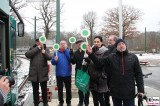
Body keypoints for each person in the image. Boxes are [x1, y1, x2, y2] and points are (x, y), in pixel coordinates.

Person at [86, 38, 144, 106]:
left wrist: (141, 90)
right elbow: (99, 62)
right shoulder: (111, 57)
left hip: (129, 92)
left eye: (123, 44)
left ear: (125, 45)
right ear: (116, 47)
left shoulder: (133, 57)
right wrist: (91, 54)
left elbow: (138, 74)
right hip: (116, 92)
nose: (121, 45)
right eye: (119, 44)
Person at [25, 39, 52, 106]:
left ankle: (45, 102)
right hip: (34, 74)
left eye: (40, 41)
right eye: (37, 41)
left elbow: (49, 57)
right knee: (35, 90)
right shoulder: (32, 48)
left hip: (43, 73)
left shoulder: (46, 49)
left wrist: (44, 53)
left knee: (44, 90)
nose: (39, 43)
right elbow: (27, 54)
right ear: (36, 42)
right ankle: (36, 103)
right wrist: (37, 48)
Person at [87, 36, 109, 106]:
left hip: (101, 78)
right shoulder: (91, 50)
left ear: (101, 42)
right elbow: (90, 64)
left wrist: (91, 56)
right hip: (92, 77)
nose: (96, 43)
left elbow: (100, 64)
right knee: (94, 98)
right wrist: (87, 61)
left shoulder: (105, 51)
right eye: (95, 42)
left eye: (98, 42)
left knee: (101, 98)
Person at [51, 40, 72, 106]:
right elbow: (53, 62)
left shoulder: (69, 52)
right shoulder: (56, 52)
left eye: (64, 43)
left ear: (66, 44)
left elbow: (70, 59)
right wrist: (55, 60)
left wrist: (66, 50)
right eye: (61, 44)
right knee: (60, 89)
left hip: (67, 74)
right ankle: (61, 102)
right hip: (59, 74)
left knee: (68, 89)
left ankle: (68, 102)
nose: (63, 45)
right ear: (59, 45)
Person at [70, 39, 90, 106]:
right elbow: (73, 62)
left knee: (86, 89)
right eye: (78, 43)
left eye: (80, 43)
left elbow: (91, 61)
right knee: (80, 88)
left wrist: (87, 58)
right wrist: (71, 54)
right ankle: (81, 102)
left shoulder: (87, 51)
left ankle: (86, 102)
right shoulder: (75, 53)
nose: (79, 44)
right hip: (79, 73)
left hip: (86, 72)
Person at [104, 35, 117, 106]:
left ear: (115, 41)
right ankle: (107, 104)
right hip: (106, 75)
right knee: (106, 93)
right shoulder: (106, 49)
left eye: (110, 40)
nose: (109, 41)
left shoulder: (117, 50)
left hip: (114, 76)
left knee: (114, 94)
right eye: (108, 40)